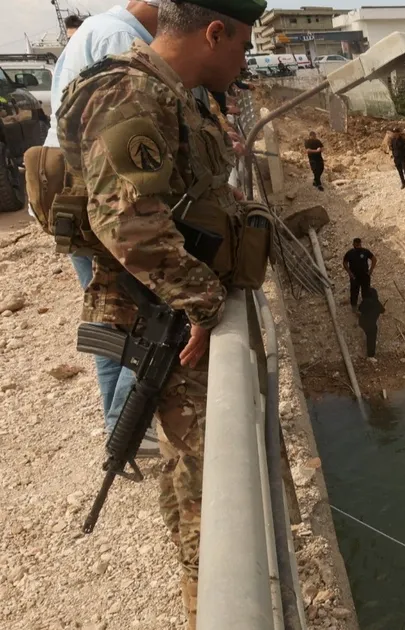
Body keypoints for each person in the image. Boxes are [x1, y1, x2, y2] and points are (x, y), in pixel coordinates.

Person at [55, 0, 267, 624]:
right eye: (243, 45)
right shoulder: (130, 91)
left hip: (168, 317)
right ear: (214, 31)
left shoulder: (177, 95)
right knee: (207, 493)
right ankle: (217, 601)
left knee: (189, 476)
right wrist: (203, 303)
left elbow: (184, 192)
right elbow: (126, 221)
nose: (245, 60)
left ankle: (203, 586)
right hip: (161, 321)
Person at [43, 0, 160, 440]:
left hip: (78, 198)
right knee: (141, 311)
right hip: (101, 199)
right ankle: (129, 425)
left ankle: (120, 422)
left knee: (108, 315)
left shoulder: (97, 28)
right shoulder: (120, 40)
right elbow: (126, 144)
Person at [342, 238, 375, 309]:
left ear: (360, 244)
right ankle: (354, 307)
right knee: (354, 293)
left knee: (366, 292)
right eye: (356, 245)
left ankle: (366, 307)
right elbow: (345, 262)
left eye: (359, 244)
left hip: (365, 276)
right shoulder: (350, 253)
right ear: (353, 244)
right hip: (354, 277)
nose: (358, 246)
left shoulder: (365, 252)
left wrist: (370, 270)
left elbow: (374, 259)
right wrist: (349, 273)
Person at [357, 288, 384, 359]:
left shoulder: (365, 301)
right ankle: (371, 355)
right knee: (371, 339)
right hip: (371, 325)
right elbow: (382, 310)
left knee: (366, 335)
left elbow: (360, 309)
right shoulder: (377, 303)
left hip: (362, 322)